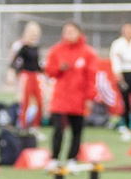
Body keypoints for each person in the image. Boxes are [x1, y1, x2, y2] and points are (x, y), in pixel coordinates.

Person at [43, 24, 105, 163]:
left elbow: (91, 77)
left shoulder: (88, 52)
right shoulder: (57, 50)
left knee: (77, 129)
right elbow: (49, 71)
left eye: (72, 31)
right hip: (61, 96)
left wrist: (90, 96)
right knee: (58, 128)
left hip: (78, 97)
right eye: (66, 32)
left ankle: (72, 158)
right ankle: (54, 158)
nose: (69, 34)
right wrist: (59, 68)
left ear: (79, 33)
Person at [8, 21, 44, 124]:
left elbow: (38, 64)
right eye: (32, 32)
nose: (34, 35)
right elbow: (14, 62)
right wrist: (11, 74)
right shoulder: (20, 46)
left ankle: (34, 125)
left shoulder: (36, 47)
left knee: (39, 101)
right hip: (25, 76)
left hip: (35, 76)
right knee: (25, 101)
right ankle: (22, 125)